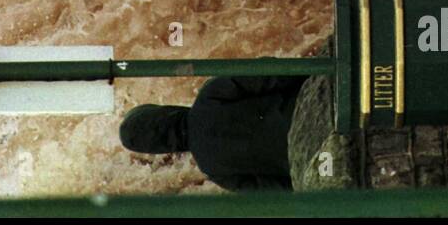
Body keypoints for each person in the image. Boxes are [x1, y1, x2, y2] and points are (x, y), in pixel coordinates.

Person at [119, 75, 307, 192]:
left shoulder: (215, 171)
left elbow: (280, 189)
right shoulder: (210, 95)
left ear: (162, 148)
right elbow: (275, 75)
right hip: (311, 105)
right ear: (165, 111)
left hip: (314, 152)